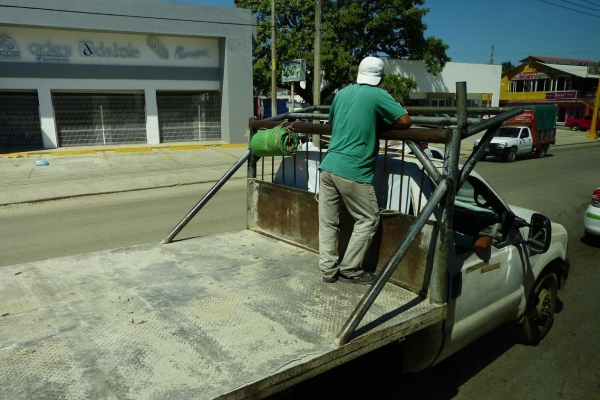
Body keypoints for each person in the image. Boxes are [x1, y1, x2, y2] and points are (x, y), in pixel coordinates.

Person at [318, 56, 412, 285]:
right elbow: (405, 121)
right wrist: (380, 123)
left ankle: (328, 271)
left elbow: (332, 120)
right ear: (382, 78)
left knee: (328, 222)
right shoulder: (379, 94)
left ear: (357, 74)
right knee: (368, 219)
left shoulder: (342, 93)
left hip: (328, 166)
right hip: (354, 169)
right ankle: (350, 269)